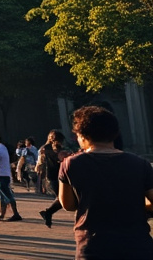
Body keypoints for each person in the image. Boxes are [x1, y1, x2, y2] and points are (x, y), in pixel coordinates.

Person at [57, 105, 153, 259]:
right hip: (137, 244)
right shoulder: (140, 164)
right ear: (115, 133)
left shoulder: (70, 164)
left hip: (93, 245)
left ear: (82, 135)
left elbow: (68, 205)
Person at [39, 130, 71, 225]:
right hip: (61, 175)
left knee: (61, 198)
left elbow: (41, 162)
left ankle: (47, 213)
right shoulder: (59, 149)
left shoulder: (44, 148)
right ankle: (48, 213)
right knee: (62, 198)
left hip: (51, 175)